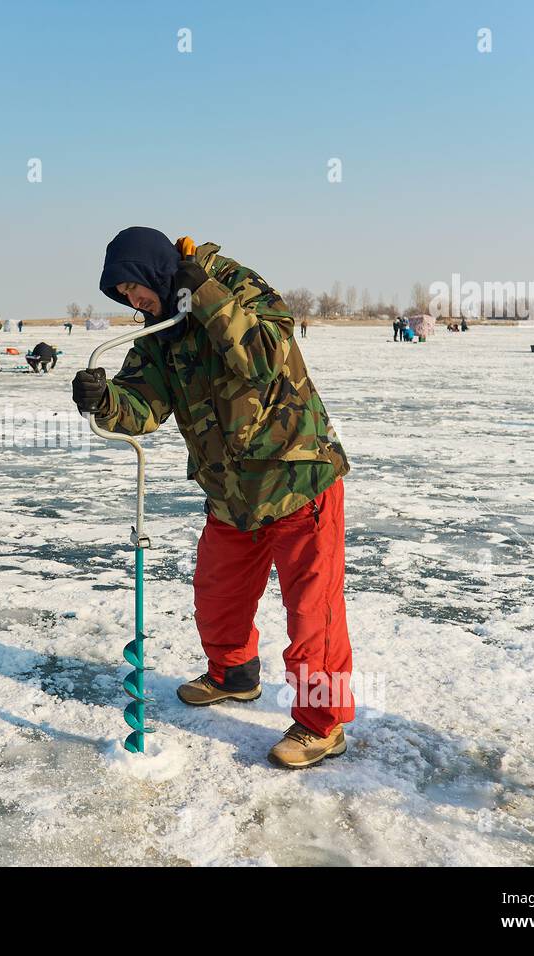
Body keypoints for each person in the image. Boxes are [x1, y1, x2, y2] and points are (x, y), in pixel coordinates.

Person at [71, 227, 353, 769]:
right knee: (218, 594)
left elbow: (267, 357)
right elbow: (144, 408)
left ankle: (324, 724)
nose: (134, 301)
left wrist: (201, 292)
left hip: (296, 478)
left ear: (156, 269)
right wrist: (105, 400)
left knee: (312, 614)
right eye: (124, 295)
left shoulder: (229, 282)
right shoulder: (157, 336)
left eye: (136, 289)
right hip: (228, 492)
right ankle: (234, 675)